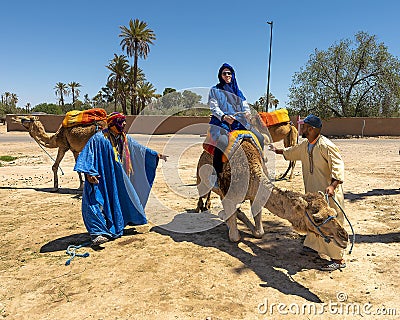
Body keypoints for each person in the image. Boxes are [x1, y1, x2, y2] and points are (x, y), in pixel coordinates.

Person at [74, 112, 167, 246]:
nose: (124, 124)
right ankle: (97, 233)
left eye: (124, 121)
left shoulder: (123, 138)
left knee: (118, 199)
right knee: (96, 201)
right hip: (100, 176)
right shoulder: (99, 139)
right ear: (112, 124)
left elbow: (139, 149)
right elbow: (88, 155)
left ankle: (117, 224)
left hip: (115, 177)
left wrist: (155, 155)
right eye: (120, 121)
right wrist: (89, 174)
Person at [269, 114, 347, 271]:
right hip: (312, 194)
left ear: (311, 129)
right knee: (312, 219)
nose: (301, 129)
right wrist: (276, 150)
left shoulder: (326, 146)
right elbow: (291, 152)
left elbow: (338, 168)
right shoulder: (306, 146)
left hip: (328, 195)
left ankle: (338, 259)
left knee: (330, 223)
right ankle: (313, 246)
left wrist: (332, 186)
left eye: (303, 126)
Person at [208, 63, 264, 182]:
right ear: (220, 75)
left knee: (260, 137)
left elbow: (245, 105)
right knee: (222, 141)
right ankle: (215, 174)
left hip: (239, 121)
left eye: (229, 73)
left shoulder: (238, 92)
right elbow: (214, 107)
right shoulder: (215, 90)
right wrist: (224, 116)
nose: (227, 75)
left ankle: (262, 163)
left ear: (233, 75)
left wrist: (247, 113)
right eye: (224, 73)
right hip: (221, 122)